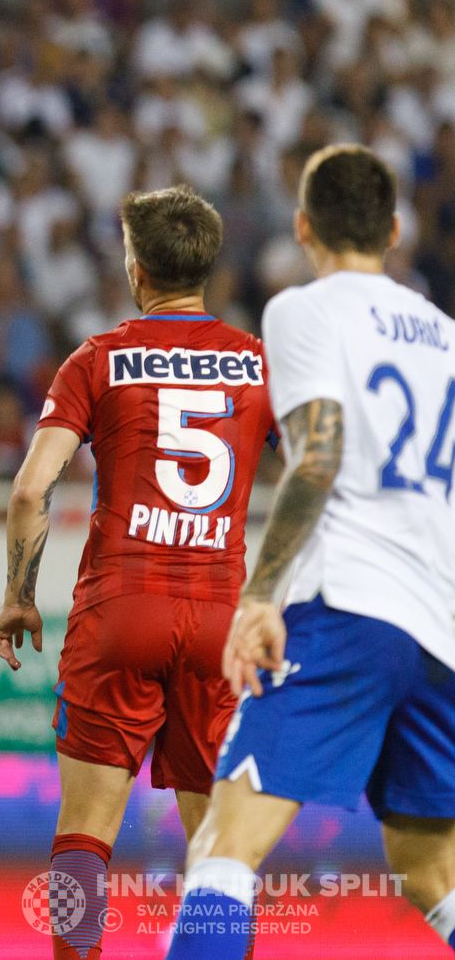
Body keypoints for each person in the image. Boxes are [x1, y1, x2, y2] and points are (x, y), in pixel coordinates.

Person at [165, 147, 455, 958]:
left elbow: (317, 456)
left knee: (226, 843)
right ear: (395, 230)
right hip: (437, 627)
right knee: (433, 869)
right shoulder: (447, 337)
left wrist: (260, 596)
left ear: (303, 228)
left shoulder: (305, 309)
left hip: (347, 606)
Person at [0, 185, 275, 960]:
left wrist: (19, 597)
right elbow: (320, 474)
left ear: (135, 266)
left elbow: (29, 487)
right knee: (218, 847)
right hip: (221, 613)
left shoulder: (100, 357)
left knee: (85, 832)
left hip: (121, 605)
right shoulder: (259, 363)